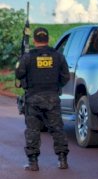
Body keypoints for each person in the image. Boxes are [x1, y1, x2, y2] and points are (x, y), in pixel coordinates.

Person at [15, 27, 70, 171]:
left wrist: (20, 60)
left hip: (33, 98)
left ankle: (33, 163)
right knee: (57, 129)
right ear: (47, 39)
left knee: (33, 130)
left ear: (34, 40)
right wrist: (55, 86)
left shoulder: (28, 57)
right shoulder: (58, 56)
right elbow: (66, 76)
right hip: (52, 97)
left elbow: (19, 74)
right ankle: (62, 160)